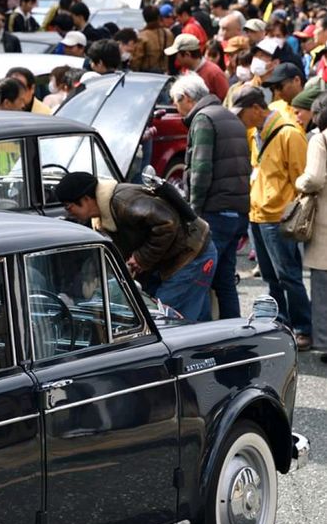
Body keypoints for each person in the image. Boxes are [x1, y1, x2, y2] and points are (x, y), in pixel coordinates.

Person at [54, 171, 217, 322]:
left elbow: (167, 224)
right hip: (174, 259)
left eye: (69, 206)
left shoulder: (123, 201)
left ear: (86, 199)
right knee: (197, 320)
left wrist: (141, 258)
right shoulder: (103, 216)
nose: (69, 212)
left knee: (167, 319)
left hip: (190, 255)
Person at [230, 86, 311, 349]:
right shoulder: (256, 133)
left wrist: (285, 206)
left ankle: (304, 328)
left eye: (242, 113)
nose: (240, 119)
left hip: (278, 216)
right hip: (258, 213)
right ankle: (281, 322)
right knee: (269, 276)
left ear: (256, 108)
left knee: (288, 274)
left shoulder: (289, 133)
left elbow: (302, 178)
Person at [171, 72, 250, 318]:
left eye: (176, 103)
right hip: (235, 210)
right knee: (224, 280)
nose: (178, 110)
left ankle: (207, 338)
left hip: (214, 211)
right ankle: (234, 333)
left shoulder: (204, 118)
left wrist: (193, 214)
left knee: (201, 278)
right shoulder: (229, 116)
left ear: (185, 97)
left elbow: (201, 169)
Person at [295, 106, 327, 362]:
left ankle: (325, 343)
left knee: (323, 285)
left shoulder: (320, 138)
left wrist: (299, 182)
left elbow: (314, 179)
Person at [165, 34, 229, 101]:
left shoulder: (214, 73)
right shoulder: (187, 71)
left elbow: (226, 100)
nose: (175, 60)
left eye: (176, 55)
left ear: (187, 54)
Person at [131, 6, 173, 72]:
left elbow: (136, 61)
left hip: (147, 75)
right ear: (159, 17)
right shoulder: (168, 33)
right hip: (165, 75)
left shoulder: (142, 37)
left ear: (144, 18)